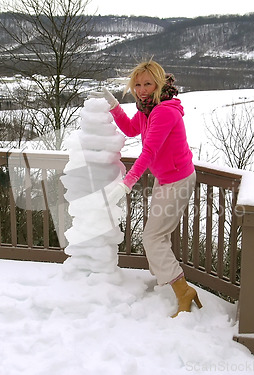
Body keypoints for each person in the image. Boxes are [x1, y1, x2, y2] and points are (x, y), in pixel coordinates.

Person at [91, 59, 202, 318]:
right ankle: (175, 283)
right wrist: (115, 107)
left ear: (159, 83)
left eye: (147, 84)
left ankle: (183, 290)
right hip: (166, 178)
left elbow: (149, 152)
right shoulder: (147, 110)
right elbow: (131, 129)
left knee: (153, 237)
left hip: (178, 180)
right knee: (155, 235)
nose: (141, 89)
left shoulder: (163, 111)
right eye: (138, 84)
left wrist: (127, 183)